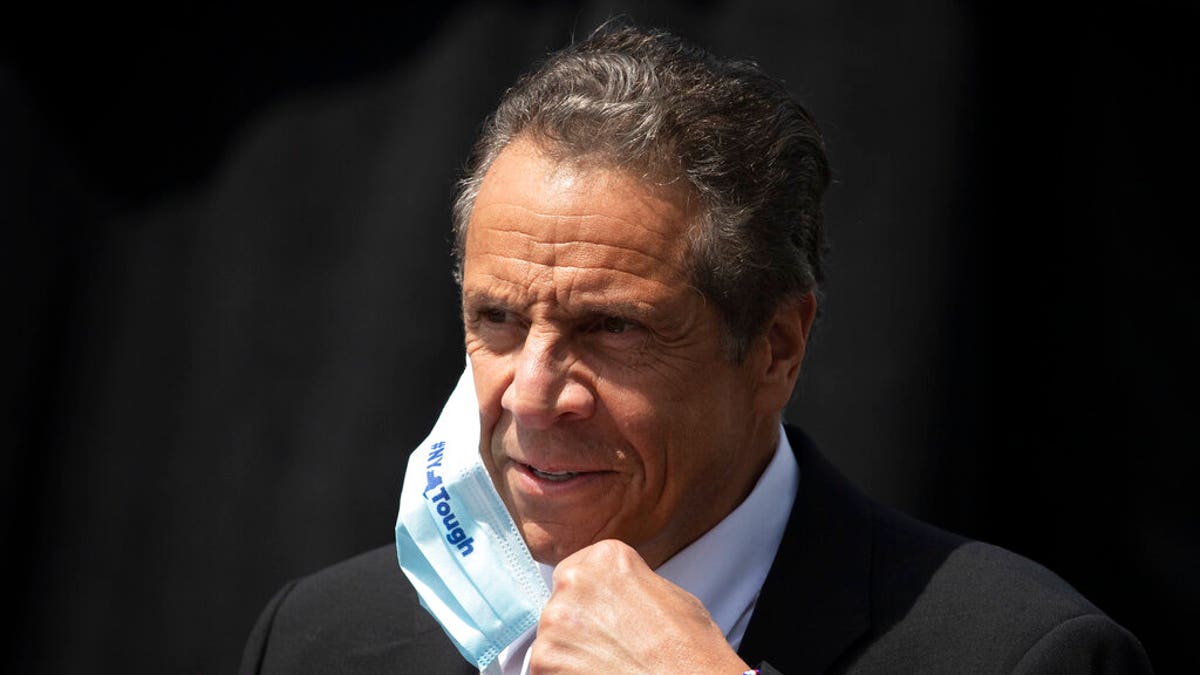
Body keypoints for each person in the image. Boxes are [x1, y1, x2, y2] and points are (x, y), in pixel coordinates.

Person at [239, 23, 1152, 674]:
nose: (530, 395)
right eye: (499, 322)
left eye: (612, 328)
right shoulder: (320, 637)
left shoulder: (1024, 652)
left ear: (777, 347)